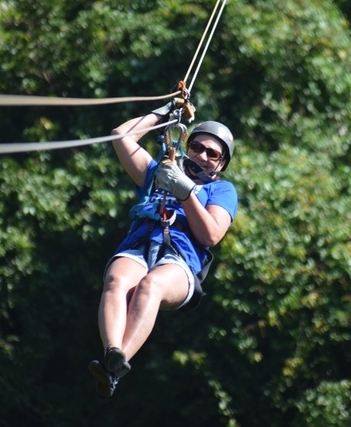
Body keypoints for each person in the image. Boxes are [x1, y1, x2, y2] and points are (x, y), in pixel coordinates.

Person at [88, 101, 238, 397]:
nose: (203, 155)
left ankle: (115, 369)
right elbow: (121, 136)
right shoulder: (159, 172)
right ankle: (113, 353)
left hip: (180, 260)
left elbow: (210, 234)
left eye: (213, 154)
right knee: (117, 280)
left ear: (221, 164)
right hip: (141, 246)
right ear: (187, 145)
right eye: (197, 147)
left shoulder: (221, 190)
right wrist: (165, 113)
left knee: (151, 285)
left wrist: (185, 192)